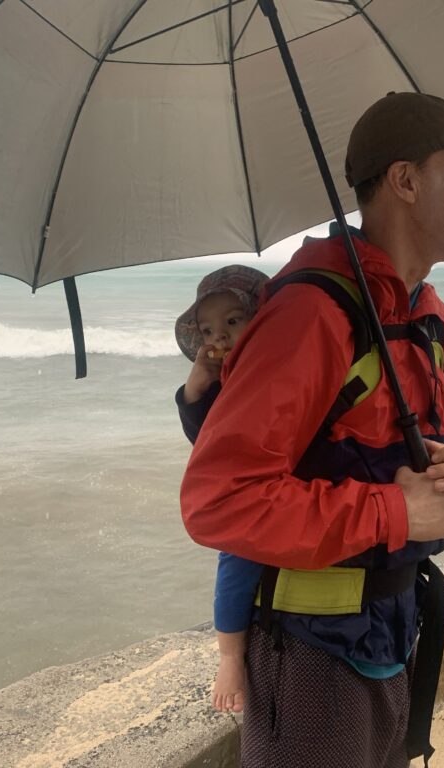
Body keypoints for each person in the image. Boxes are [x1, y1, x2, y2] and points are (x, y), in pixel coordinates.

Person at [180, 92, 444, 767]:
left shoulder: (432, 318)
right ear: (405, 180)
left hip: (397, 634)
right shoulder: (309, 315)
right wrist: (397, 511)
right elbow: (218, 501)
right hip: (311, 656)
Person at [173, 264, 269, 714]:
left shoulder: (274, 366)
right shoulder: (222, 379)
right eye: (208, 329)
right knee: (236, 558)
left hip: (276, 484)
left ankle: (233, 654)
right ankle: (230, 655)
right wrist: (195, 388)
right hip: (243, 493)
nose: (220, 337)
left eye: (233, 320)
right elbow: (206, 439)